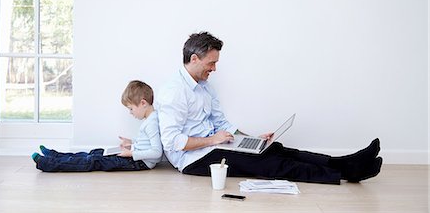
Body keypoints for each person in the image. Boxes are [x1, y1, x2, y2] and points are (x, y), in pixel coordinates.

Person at [157, 31, 382, 184]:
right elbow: (172, 142)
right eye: (211, 63)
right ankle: (345, 174)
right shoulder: (174, 92)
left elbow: (222, 124)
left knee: (274, 149)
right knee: (270, 163)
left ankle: (347, 163)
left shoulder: (205, 87)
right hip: (194, 159)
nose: (214, 68)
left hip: (216, 145)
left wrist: (251, 139)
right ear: (195, 59)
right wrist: (212, 140)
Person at [32, 80, 163, 172]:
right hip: (136, 158)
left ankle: (49, 164)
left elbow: (157, 153)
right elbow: (147, 144)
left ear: (143, 103)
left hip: (139, 163)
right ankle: (55, 155)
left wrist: (131, 153)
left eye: (131, 109)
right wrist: (132, 143)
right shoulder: (150, 120)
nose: (130, 113)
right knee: (96, 153)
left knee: (94, 161)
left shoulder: (151, 123)